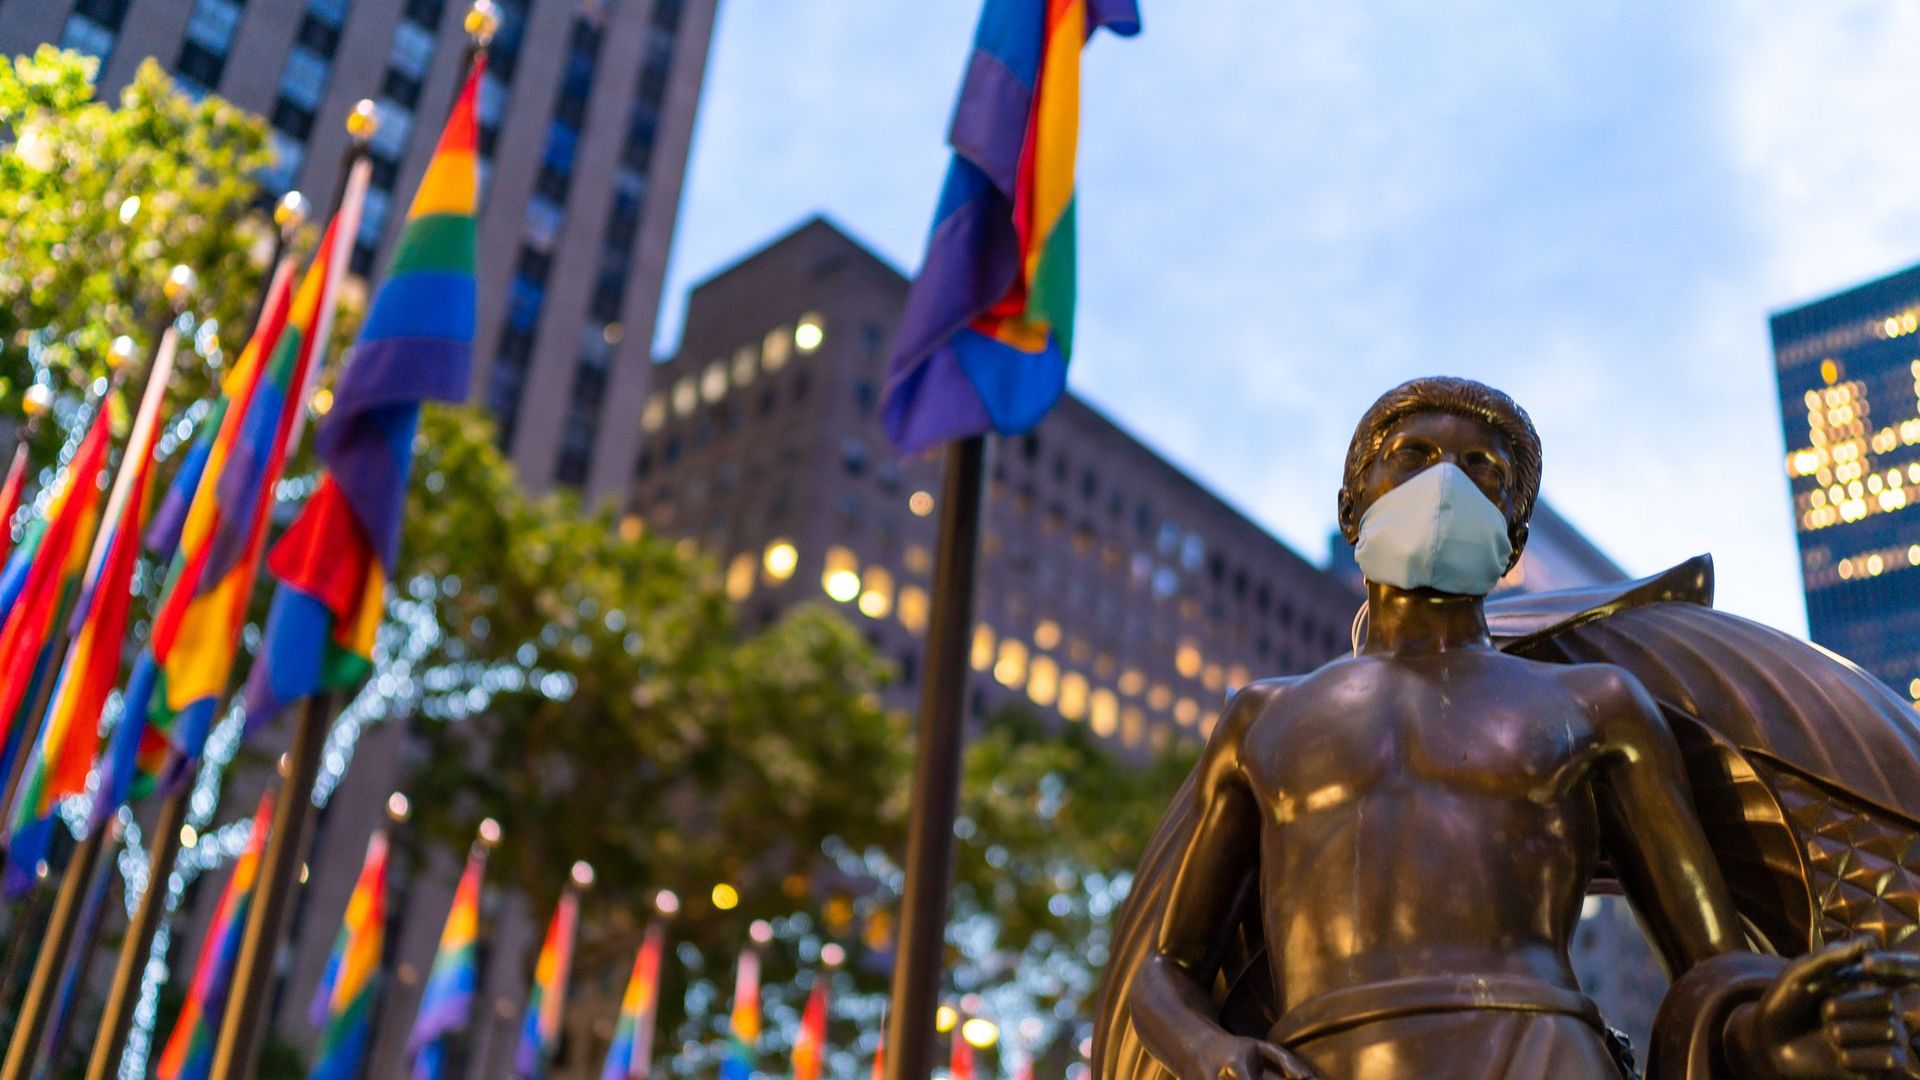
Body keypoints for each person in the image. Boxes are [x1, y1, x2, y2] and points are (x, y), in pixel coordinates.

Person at [1128, 377, 1917, 1080]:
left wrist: (1773, 1032)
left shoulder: (1597, 707)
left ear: (1515, 540)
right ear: (1349, 509)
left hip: (1544, 1055)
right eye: (1413, 455)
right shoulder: (1263, 718)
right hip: (1324, 1061)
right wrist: (1210, 1052)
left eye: (1484, 471)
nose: (1445, 483)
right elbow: (1168, 966)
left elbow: (1714, 969)